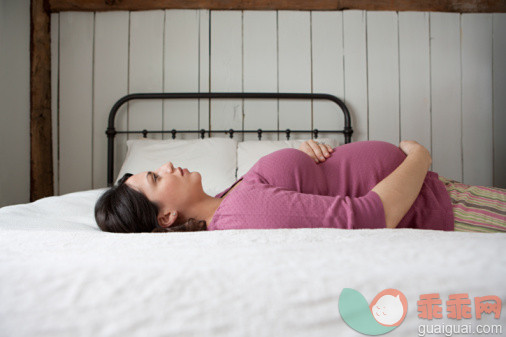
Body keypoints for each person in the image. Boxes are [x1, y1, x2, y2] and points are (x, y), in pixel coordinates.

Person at [94, 139, 506, 233]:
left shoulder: (227, 201)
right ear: (165, 216)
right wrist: (418, 155)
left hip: (436, 193)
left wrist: (302, 157)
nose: (165, 165)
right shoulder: (241, 213)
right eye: (154, 178)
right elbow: (369, 216)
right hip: (440, 205)